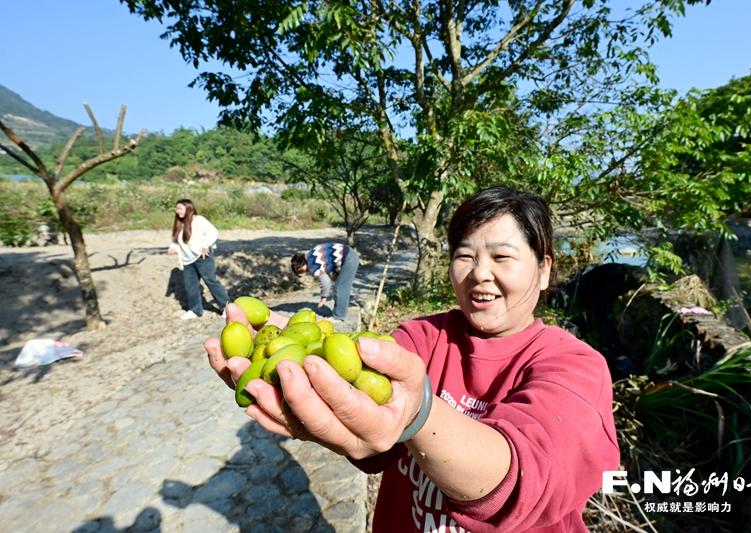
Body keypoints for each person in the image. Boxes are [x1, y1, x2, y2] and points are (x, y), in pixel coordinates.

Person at [207, 186, 619, 531]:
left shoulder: (575, 366)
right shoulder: (421, 337)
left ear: (544, 269)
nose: (479, 273)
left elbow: (524, 482)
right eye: (465, 255)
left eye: (501, 256)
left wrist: (417, 413)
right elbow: (374, 445)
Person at [167, 198, 229, 320]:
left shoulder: (199, 220)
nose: (177, 211)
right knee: (191, 285)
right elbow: (177, 239)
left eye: (180, 208)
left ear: (188, 208)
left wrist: (206, 245)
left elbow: (213, 232)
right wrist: (173, 247)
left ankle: (226, 308)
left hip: (202, 257)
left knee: (211, 281)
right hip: (187, 260)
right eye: (176, 208)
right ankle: (195, 310)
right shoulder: (180, 223)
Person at [290, 242, 360, 321]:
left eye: (303, 271)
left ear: (302, 264)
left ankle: (339, 317)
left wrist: (323, 298)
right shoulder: (310, 254)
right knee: (340, 285)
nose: (306, 272)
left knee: (340, 288)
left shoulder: (313, 265)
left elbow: (326, 283)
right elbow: (329, 258)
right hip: (348, 254)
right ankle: (341, 308)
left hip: (348, 259)